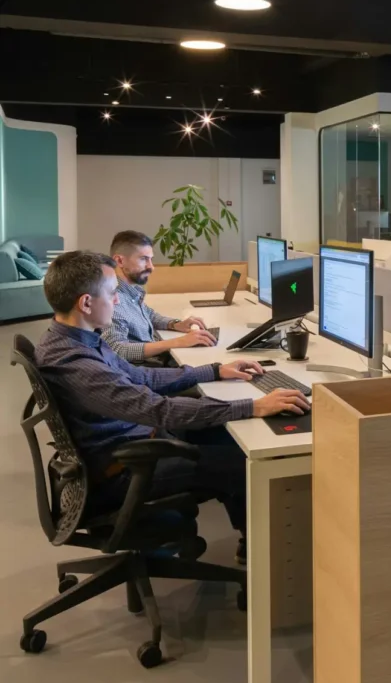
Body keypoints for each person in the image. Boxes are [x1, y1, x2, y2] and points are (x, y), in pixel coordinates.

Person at [35, 251, 310, 562]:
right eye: (112, 294)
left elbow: (140, 375)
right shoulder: (75, 363)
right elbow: (157, 409)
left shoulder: (80, 338)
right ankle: (271, 564)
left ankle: (251, 544)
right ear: (85, 303)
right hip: (122, 470)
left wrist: (214, 370)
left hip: (133, 441)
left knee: (223, 434)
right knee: (245, 463)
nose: (116, 301)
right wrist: (253, 406)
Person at [103, 230, 215, 362]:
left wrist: (175, 324)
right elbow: (118, 350)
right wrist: (177, 342)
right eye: (144, 259)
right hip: (145, 371)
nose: (151, 267)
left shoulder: (130, 292)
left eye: (151, 259)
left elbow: (149, 315)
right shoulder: (114, 301)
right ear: (120, 261)